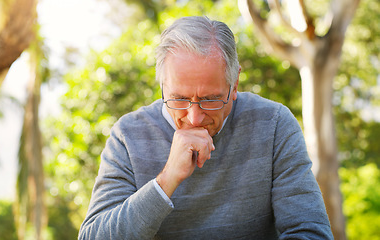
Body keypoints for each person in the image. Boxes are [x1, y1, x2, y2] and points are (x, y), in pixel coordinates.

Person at [78, 16, 333, 239]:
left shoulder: (274, 124)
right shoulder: (128, 135)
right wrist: (166, 180)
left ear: (234, 85)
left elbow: (311, 233)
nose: (195, 118)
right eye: (179, 98)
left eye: (210, 99)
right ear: (162, 86)